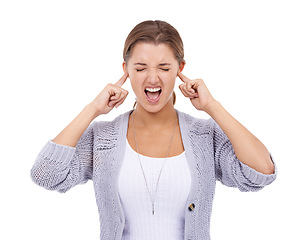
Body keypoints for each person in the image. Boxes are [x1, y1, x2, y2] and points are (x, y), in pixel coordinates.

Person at [31, 20, 277, 240]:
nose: (152, 79)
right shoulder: (102, 137)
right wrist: (92, 109)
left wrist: (212, 106)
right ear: (125, 70)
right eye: (140, 68)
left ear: (180, 69)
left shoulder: (205, 136)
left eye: (164, 67)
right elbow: (46, 174)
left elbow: (261, 172)